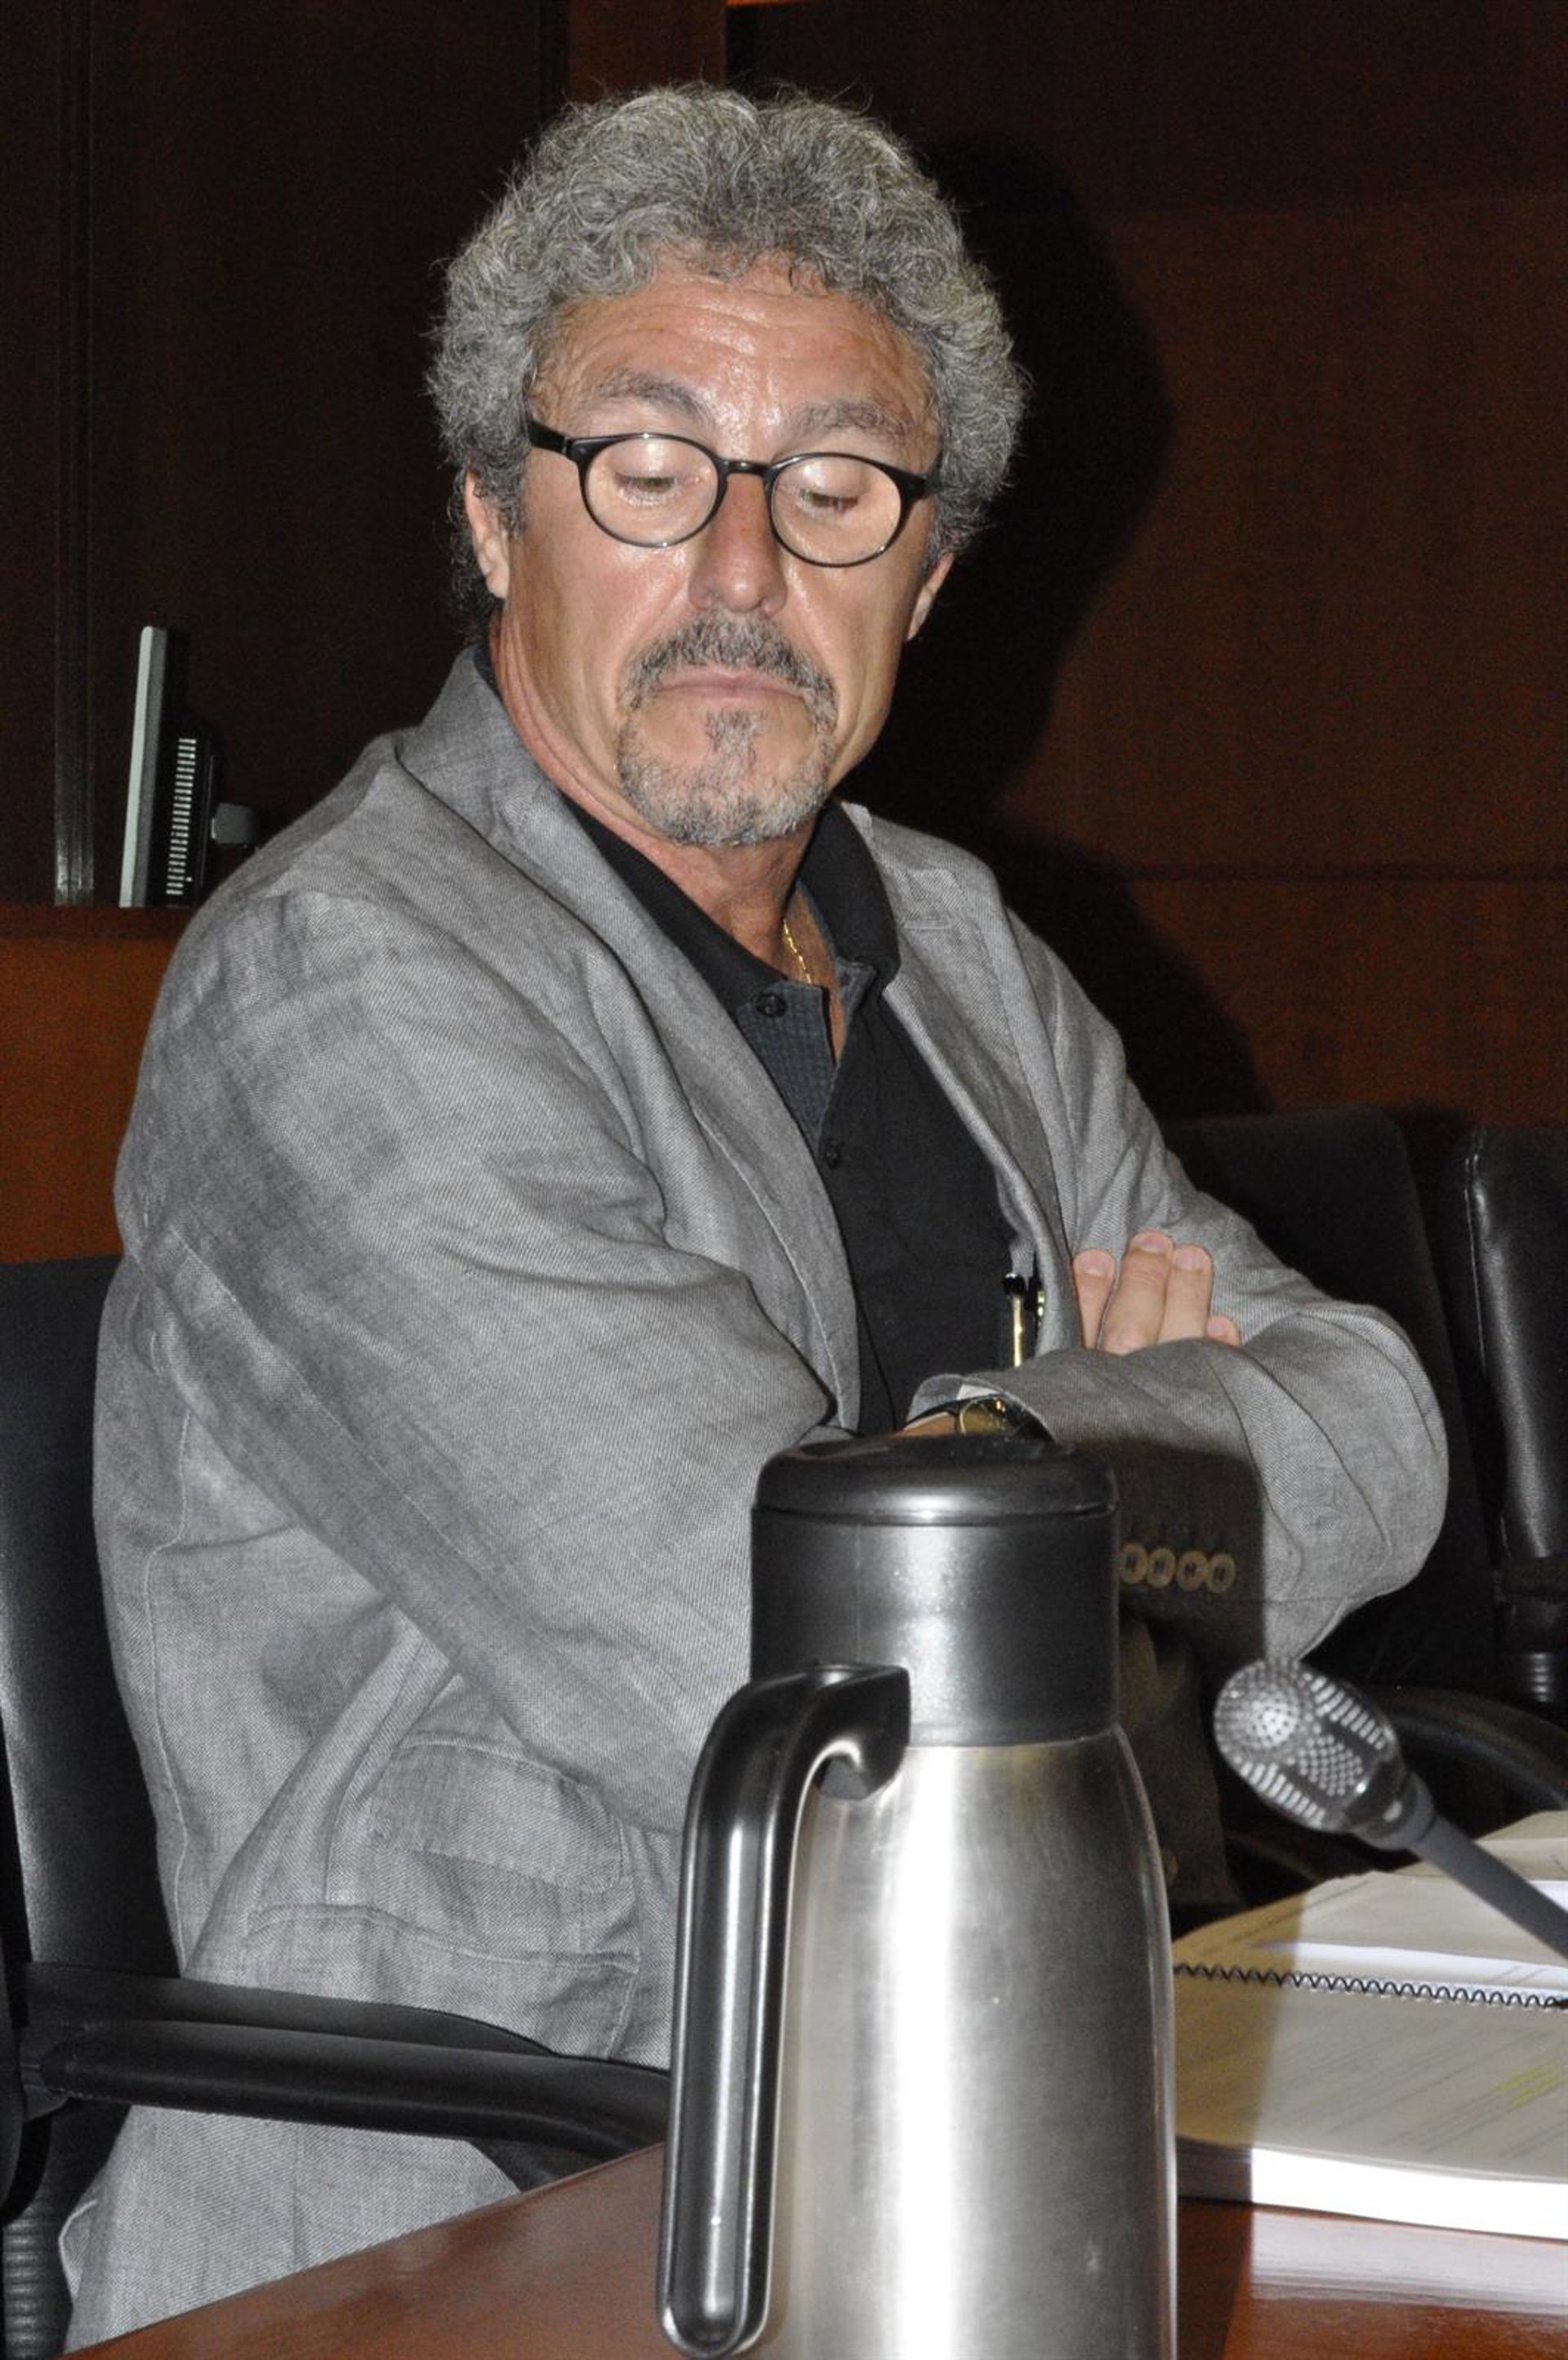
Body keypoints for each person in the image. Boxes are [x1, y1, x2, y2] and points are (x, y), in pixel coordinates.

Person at [65, 85, 1445, 2342]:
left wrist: (944, 1476)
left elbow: (1377, 1423)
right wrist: (1123, 1429)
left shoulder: (955, 944)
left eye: (832, 489)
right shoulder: (344, 987)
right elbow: (772, 1676)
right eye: (648, 466)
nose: (739, 572)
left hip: (983, 2123)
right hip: (495, 2214)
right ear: (494, 518)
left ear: (930, 569)